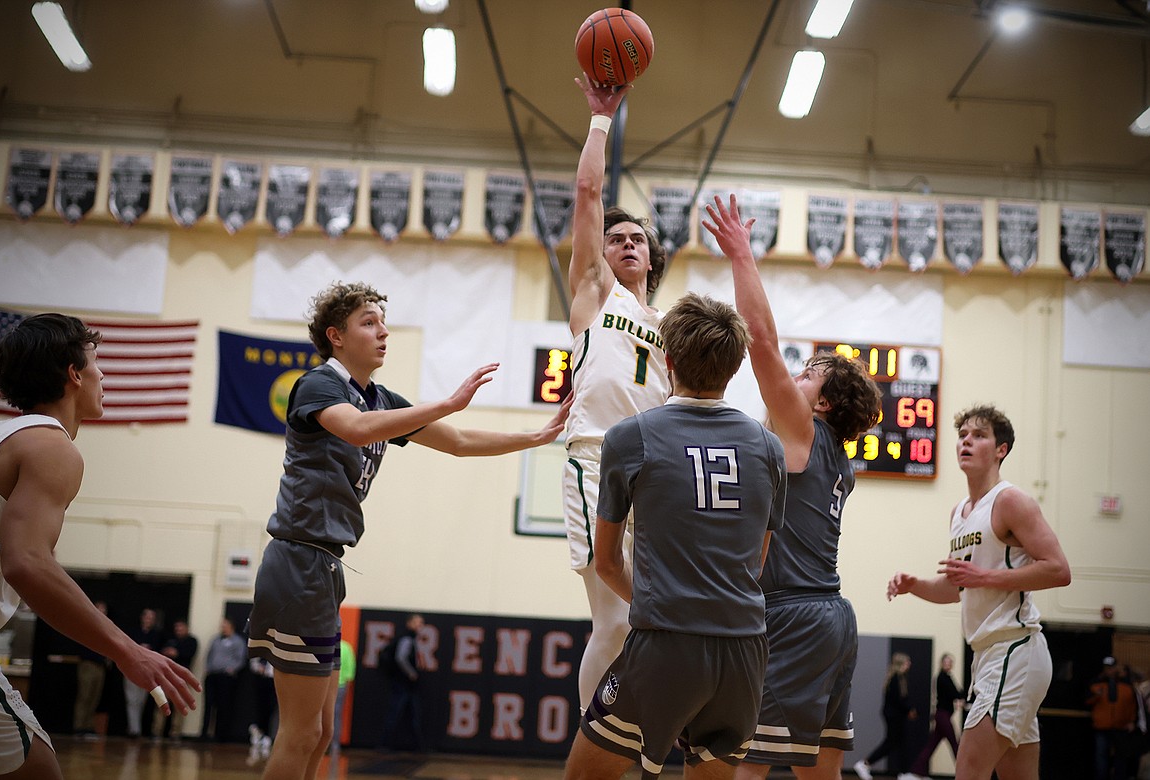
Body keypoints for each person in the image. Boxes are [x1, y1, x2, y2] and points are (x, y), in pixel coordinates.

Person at [246, 281, 569, 780]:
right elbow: (355, 429)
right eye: (368, 323)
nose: (383, 332)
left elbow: (458, 441)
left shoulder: (376, 397)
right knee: (301, 732)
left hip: (324, 565)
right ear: (335, 335)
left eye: (383, 322)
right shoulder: (319, 386)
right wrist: (446, 402)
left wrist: (536, 435)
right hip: (297, 561)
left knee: (322, 734)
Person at [563, 292, 788, 780]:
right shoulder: (769, 448)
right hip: (745, 649)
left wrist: (653, 601)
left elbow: (606, 563)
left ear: (668, 361)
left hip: (667, 642)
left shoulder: (629, 436)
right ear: (734, 369)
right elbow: (757, 561)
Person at [703, 194, 882, 780]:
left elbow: (758, 340)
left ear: (823, 403)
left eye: (808, 376)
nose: (794, 376)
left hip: (795, 614)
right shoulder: (835, 462)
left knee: (750, 764)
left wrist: (740, 255)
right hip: (833, 614)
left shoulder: (807, 433)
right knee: (819, 770)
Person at [0, 313, 199, 780]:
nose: (103, 375)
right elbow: (27, 564)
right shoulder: (50, 446)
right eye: (96, 361)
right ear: (74, 374)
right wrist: (128, 650)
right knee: (39, 770)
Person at [887, 404, 1072, 780]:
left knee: (968, 768)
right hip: (987, 655)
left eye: (979, 435)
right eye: (962, 436)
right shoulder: (960, 512)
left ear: (1000, 449)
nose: (966, 442)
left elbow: (1058, 570)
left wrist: (986, 577)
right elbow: (958, 587)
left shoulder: (1010, 501)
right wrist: (915, 586)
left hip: (1015, 648)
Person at [561, 75, 670, 713]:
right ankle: (589, 738)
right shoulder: (597, 295)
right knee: (614, 619)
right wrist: (601, 120)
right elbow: (587, 191)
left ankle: (631, 732)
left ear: (652, 258)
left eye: (638, 240)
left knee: (643, 625)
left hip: (653, 474)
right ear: (600, 254)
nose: (628, 244)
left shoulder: (669, 330)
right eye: (616, 238)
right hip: (597, 456)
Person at [854, 653, 919, 780]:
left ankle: (903, 773)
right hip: (893, 716)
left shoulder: (900, 678)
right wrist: (909, 710)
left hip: (895, 715)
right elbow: (897, 700)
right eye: (907, 662)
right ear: (900, 664)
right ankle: (865, 764)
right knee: (891, 743)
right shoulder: (895, 678)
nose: (909, 664)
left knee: (899, 743)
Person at [905, 652, 965, 779]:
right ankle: (964, 773)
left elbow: (956, 693)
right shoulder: (942, 677)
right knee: (955, 744)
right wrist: (962, 698)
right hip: (942, 715)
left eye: (950, 662)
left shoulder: (947, 677)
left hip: (944, 715)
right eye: (946, 662)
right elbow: (955, 693)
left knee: (931, 745)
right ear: (942, 663)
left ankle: (917, 772)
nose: (948, 664)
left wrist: (961, 698)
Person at [1088, 656, 1139, 780]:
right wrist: (1096, 696)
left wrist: (1132, 721)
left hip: (1121, 726)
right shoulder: (1096, 684)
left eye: (1111, 668)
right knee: (1101, 756)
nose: (1109, 671)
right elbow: (1087, 701)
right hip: (1102, 725)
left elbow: (1132, 705)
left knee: (1120, 757)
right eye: (1107, 668)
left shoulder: (1126, 685)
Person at [382, 613, 425, 751]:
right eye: (417, 623)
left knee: (412, 714)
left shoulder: (411, 639)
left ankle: (417, 746)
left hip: (406, 685)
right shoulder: (407, 639)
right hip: (402, 683)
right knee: (396, 712)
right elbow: (400, 658)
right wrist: (411, 673)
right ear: (409, 623)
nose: (420, 626)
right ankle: (385, 744)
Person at [200, 616, 247, 742]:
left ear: (231, 626)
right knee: (208, 705)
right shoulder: (215, 640)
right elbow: (209, 655)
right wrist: (208, 668)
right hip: (212, 675)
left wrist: (232, 669)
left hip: (226, 677)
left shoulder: (237, 641)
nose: (222, 627)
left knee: (223, 706)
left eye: (225, 625)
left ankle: (219, 735)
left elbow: (241, 659)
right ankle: (204, 734)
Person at [152, 619, 198, 741]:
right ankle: (157, 732)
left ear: (187, 628)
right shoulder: (170, 640)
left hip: (182, 678)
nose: (178, 630)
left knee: (179, 705)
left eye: (181, 627)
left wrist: (176, 653)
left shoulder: (191, 641)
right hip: (167, 676)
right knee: (162, 703)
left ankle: (175, 733)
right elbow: (162, 653)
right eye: (176, 628)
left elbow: (189, 654)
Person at [72, 599, 110, 740]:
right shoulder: (86, 624)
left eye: (104, 610)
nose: (102, 612)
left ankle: (88, 727)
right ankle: (78, 727)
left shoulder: (106, 627)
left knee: (95, 698)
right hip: (88, 665)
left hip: (100, 667)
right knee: (84, 696)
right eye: (100, 609)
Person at [123, 607, 164, 738]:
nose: (149, 620)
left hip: (147, 672)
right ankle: (134, 730)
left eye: (151, 618)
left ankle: (135, 728)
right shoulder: (133, 633)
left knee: (141, 701)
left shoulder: (156, 635)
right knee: (132, 700)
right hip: (132, 669)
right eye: (147, 617)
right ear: (142, 618)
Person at [330, 637, 355, 754]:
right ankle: (335, 744)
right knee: (336, 715)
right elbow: (350, 671)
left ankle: (319, 744)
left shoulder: (326, 646)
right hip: (341, 685)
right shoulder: (346, 647)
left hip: (324, 684)